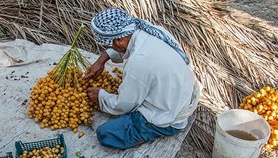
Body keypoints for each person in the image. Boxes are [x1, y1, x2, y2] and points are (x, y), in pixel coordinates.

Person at [84, 8, 201, 150]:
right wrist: (101, 60)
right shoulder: (145, 29)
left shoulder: (139, 62)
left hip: (169, 117)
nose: (108, 48)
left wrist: (101, 97)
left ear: (120, 39)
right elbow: (121, 47)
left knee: (106, 134)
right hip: (181, 95)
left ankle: (154, 130)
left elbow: (124, 105)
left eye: (108, 45)